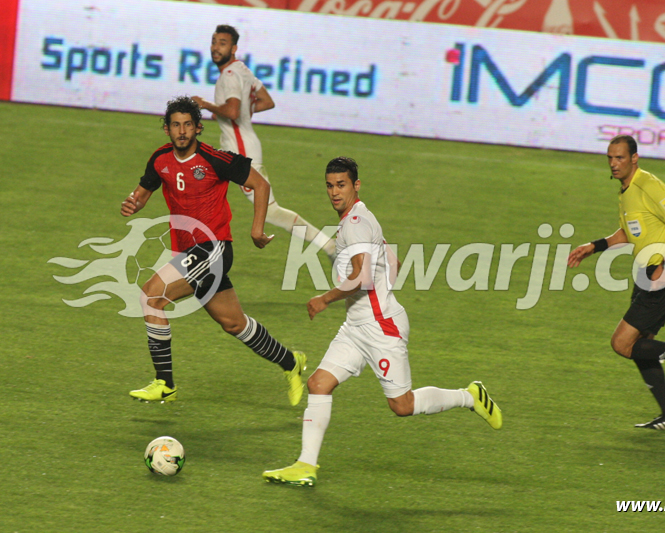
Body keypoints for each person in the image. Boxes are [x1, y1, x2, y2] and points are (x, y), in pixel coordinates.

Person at [261, 157, 502, 486]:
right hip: (357, 326)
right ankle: (306, 465)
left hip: (380, 328)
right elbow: (395, 262)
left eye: (341, 185)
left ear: (356, 185)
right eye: (330, 185)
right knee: (318, 383)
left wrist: (325, 299)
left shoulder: (356, 222)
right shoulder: (357, 218)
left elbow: (362, 278)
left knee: (402, 405)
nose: (334, 192)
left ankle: (469, 396)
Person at [120, 96, 306, 406]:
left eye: (188, 125)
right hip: (187, 253)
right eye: (176, 125)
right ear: (166, 129)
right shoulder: (160, 159)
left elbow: (260, 184)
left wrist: (256, 229)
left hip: (214, 247)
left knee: (151, 297)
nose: (182, 131)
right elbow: (142, 192)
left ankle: (165, 384)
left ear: (198, 128)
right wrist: (133, 203)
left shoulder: (214, 159)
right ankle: (291, 362)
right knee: (234, 323)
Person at [567, 135, 665, 432]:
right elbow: (628, 233)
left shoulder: (648, 185)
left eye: (620, 158)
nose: (613, 163)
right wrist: (594, 246)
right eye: (610, 158)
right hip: (646, 272)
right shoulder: (625, 192)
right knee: (642, 347)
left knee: (622, 343)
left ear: (634, 158)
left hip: (663, 272)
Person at [191, 25, 335, 260]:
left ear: (234, 48)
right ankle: (200, 243)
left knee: (271, 212)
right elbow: (266, 101)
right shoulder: (242, 70)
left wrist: (208, 105)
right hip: (241, 146)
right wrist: (233, 111)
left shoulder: (229, 75)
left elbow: (233, 110)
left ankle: (330, 247)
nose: (216, 47)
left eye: (223, 43)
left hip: (239, 152)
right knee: (201, 182)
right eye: (214, 42)